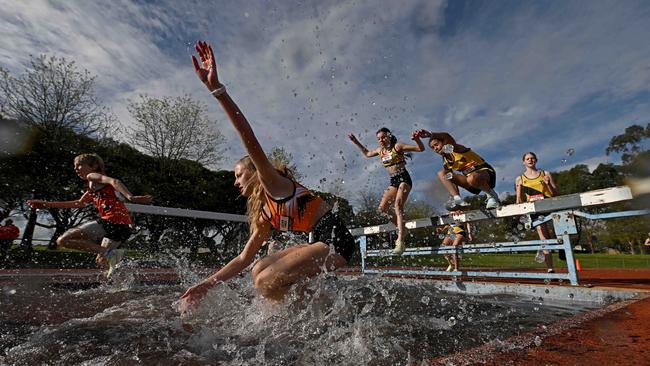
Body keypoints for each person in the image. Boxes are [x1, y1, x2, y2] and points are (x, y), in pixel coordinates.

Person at [178, 41, 356, 313]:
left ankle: (317, 314)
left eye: (239, 175)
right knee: (258, 269)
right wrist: (206, 284)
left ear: (254, 172)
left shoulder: (273, 183)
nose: (236, 182)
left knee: (265, 281)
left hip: (335, 238)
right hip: (315, 240)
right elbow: (242, 258)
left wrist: (218, 91)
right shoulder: (263, 213)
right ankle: (312, 311)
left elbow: (247, 137)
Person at [27, 153, 152, 277]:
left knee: (63, 240)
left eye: (79, 165)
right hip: (121, 226)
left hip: (113, 221)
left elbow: (114, 181)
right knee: (101, 261)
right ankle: (122, 283)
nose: (75, 169)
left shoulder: (92, 176)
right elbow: (79, 203)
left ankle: (110, 255)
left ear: (94, 166)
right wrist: (46, 204)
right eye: (74, 166)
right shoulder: (92, 187)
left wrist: (131, 197)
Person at [348, 128, 424, 255]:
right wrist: (356, 141)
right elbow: (367, 154)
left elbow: (420, 149)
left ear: (389, 136)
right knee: (382, 209)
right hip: (393, 181)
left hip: (404, 179)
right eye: (378, 139)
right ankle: (402, 229)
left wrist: (417, 140)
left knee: (398, 205)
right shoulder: (380, 151)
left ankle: (400, 241)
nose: (381, 140)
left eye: (383, 137)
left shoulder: (397, 147)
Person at [414, 129, 500, 209]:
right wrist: (457, 197)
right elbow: (452, 180)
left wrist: (430, 134)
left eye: (436, 145)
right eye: (433, 148)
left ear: (444, 142)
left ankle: (492, 195)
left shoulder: (455, 148)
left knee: (471, 178)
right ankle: (457, 200)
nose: (435, 148)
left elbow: (447, 136)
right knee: (443, 174)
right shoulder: (445, 161)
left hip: (486, 175)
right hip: (472, 182)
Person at [515, 151, 558, 273]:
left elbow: (555, 194)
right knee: (543, 236)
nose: (530, 160)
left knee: (558, 234)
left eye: (532, 158)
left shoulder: (545, 173)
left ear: (536, 160)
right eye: (527, 158)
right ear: (523, 162)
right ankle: (550, 268)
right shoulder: (520, 178)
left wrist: (548, 184)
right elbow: (518, 201)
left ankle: (562, 251)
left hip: (549, 205)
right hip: (534, 210)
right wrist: (518, 189)